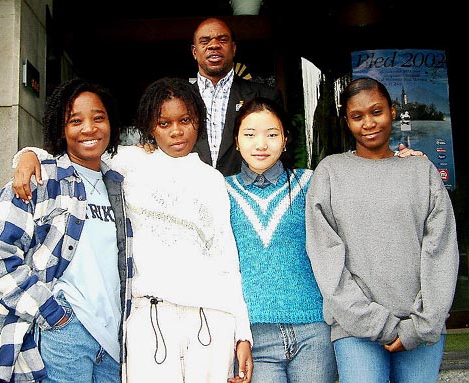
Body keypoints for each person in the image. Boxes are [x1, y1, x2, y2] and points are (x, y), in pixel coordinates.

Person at [11, 77, 253, 383]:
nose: (176, 131)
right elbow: (79, 150)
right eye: (164, 123)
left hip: (211, 321)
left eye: (185, 120)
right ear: (150, 127)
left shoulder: (214, 180)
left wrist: (242, 334)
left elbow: (227, 261)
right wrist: (29, 155)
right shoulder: (129, 163)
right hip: (148, 320)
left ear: (198, 122)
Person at [0, 78, 133, 383]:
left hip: (113, 341)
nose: (89, 128)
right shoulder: (40, 180)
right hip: (65, 333)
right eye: (76, 121)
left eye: (98, 118)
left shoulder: (120, 184)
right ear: (61, 129)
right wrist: (52, 314)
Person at [305, 77, 459, 383]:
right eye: (357, 116)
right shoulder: (330, 173)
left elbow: (441, 251)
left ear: (392, 110)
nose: (368, 123)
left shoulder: (421, 171)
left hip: (422, 325)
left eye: (376, 112)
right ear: (346, 122)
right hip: (355, 328)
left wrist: (422, 323)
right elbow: (326, 259)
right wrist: (377, 323)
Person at [225, 96, 337, 382]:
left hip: (314, 330)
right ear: (236, 141)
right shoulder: (220, 189)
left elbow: (359, 194)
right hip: (254, 337)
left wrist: (400, 160)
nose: (261, 144)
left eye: (272, 134)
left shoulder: (311, 182)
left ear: (285, 139)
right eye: (249, 135)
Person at [191, 17, 284, 176]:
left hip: (248, 192)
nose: (214, 45)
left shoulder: (265, 95)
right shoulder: (179, 98)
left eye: (222, 40)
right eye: (205, 41)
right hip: (191, 192)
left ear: (233, 48)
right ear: (194, 52)